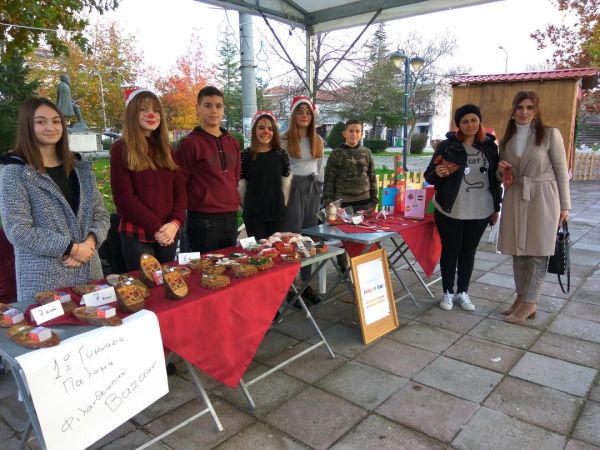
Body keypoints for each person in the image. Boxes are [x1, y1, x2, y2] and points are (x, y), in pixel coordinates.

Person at [0, 97, 109, 301]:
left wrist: (90, 242)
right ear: (27, 126)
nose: (50, 127)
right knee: (56, 333)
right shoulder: (15, 171)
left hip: (89, 271)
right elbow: (18, 229)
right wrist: (72, 248)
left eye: (56, 121)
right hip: (45, 280)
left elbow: (101, 214)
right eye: (40, 121)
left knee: (97, 329)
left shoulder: (80, 167)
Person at [497, 91, 570, 324]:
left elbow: (561, 171)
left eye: (529, 107)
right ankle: (521, 298)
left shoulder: (550, 134)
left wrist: (565, 206)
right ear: (513, 109)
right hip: (516, 195)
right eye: (520, 107)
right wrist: (502, 169)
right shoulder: (507, 139)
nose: (524, 112)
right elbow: (501, 174)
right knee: (518, 253)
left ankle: (531, 302)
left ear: (536, 110)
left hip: (543, 197)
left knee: (537, 253)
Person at [424, 104, 502, 312]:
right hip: (451, 209)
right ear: (459, 125)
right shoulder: (447, 147)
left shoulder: (490, 147)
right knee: (450, 251)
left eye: (473, 120)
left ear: (479, 122)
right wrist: (438, 173)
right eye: (465, 121)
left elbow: (496, 181)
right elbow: (429, 174)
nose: (470, 125)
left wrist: (496, 207)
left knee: (468, 252)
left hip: (481, 210)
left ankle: (463, 292)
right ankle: (448, 292)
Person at [110, 89, 186, 271]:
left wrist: (175, 223)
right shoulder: (121, 149)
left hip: (168, 232)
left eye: (156, 110)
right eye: (143, 109)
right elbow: (124, 199)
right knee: (144, 289)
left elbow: (180, 190)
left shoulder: (165, 149)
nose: (151, 114)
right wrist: (158, 227)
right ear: (132, 114)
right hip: (138, 233)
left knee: (168, 285)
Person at [175, 86, 241, 253]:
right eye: (208, 105)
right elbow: (180, 183)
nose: (214, 110)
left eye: (218, 106)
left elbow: (234, 177)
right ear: (198, 108)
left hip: (230, 217)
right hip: (203, 219)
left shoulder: (232, 143)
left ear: (223, 109)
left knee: (229, 271)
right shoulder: (189, 144)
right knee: (204, 274)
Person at [282, 95, 324, 305]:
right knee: (292, 237)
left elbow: (319, 167)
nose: (304, 116)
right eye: (300, 111)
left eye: (308, 112)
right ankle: (290, 287)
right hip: (293, 187)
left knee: (309, 237)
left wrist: (320, 189)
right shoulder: (283, 139)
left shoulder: (317, 140)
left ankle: (306, 284)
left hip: (313, 187)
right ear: (293, 115)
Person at [239, 110, 291, 240]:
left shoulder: (281, 155)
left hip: (277, 213)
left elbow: (286, 185)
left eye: (270, 128)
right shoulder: (245, 156)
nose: (266, 132)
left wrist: (282, 205)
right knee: (258, 254)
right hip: (254, 215)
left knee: (279, 253)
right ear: (254, 130)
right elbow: (240, 187)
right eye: (261, 128)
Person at [323, 119, 378, 211]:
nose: (354, 134)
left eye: (357, 131)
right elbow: (329, 181)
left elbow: (372, 177)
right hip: (342, 203)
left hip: (364, 202)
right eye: (351, 131)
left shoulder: (367, 153)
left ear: (361, 134)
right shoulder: (336, 153)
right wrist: (328, 203)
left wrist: (374, 200)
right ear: (344, 133)